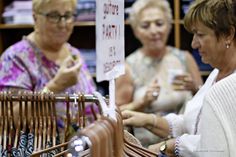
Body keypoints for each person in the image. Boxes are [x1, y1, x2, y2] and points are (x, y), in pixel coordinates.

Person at [122, 0, 236, 156]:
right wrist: (149, 120)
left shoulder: (230, 85)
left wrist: (170, 145)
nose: (194, 44)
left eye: (200, 35)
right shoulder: (216, 73)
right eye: (146, 25)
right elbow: (193, 122)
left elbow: (216, 147)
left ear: (228, 34)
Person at [0, 0, 96, 137]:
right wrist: (55, 86)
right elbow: (10, 119)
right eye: (54, 16)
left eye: (68, 15)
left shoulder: (74, 54)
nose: (63, 24)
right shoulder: (15, 58)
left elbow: (91, 107)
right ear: (35, 18)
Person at [115, 0, 203, 147]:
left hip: (186, 147)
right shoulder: (128, 67)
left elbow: (204, 100)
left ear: (169, 25)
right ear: (136, 31)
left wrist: (195, 88)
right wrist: (141, 103)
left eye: (159, 23)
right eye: (145, 25)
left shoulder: (184, 58)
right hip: (147, 150)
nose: (154, 30)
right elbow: (115, 114)